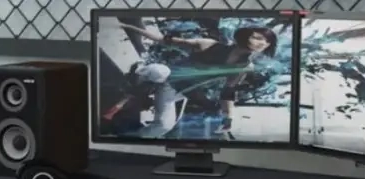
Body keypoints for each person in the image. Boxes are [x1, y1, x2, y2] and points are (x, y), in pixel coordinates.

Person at [112, 21, 278, 135]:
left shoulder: (244, 67)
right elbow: (162, 40)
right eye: (258, 38)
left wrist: (228, 118)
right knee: (160, 72)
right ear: (246, 36)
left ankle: (128, 137)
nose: (262, 43)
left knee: (163, 127)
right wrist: (128, 26)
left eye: (267, 42)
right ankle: (136, 77)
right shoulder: (208, 44)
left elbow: (228, 92)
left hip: (176, 90)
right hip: (165, 74)